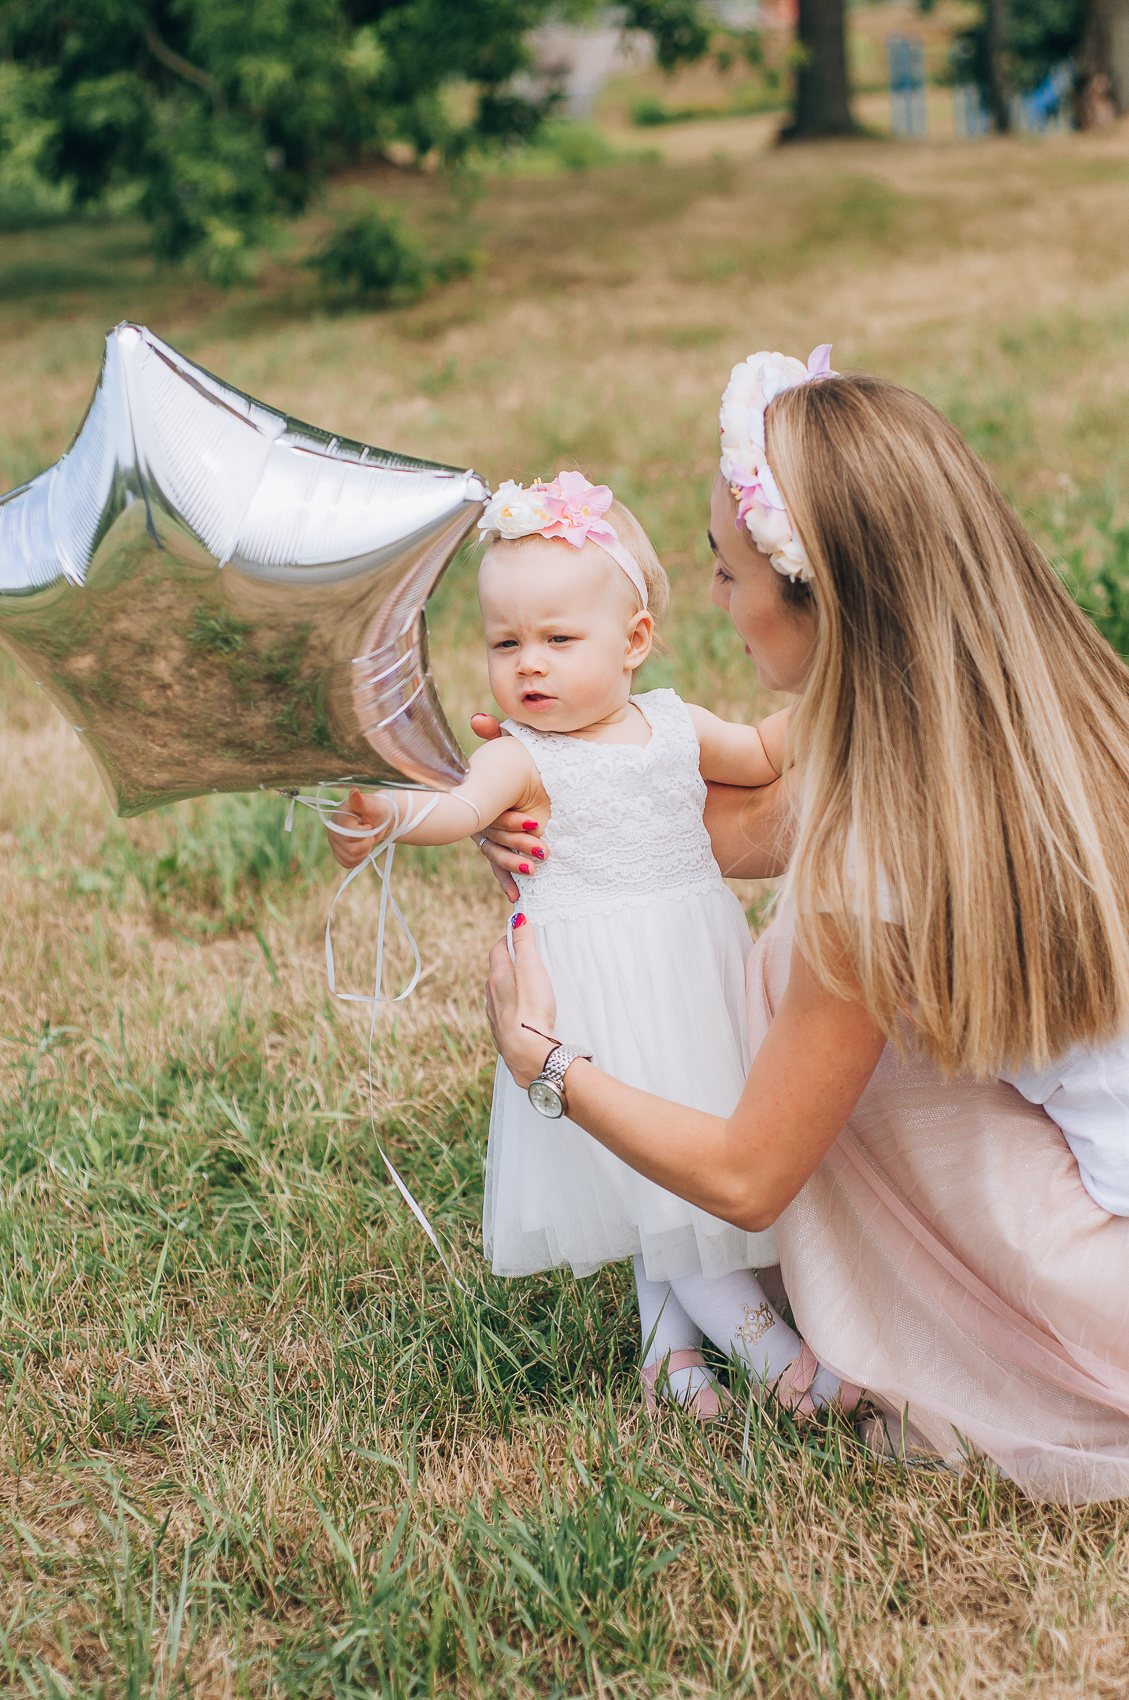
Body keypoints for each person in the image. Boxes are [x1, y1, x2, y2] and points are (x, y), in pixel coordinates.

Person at [482, 349, 1129, 1504]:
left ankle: (901, 1335)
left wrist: (547, 1064)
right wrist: (549, 799)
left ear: (814, 598)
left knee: (794, 982)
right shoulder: (1042, 702)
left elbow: (746, 1176)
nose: (712, 598)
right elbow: (709, 829)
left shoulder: (871, 859)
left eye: (728, 573)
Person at [328, 468, 856, 1420]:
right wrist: (378, 808)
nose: (529, 665)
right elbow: (455, 809)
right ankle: (773, 1355)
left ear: (633, 643)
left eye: (558, 641)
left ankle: (666, 1358)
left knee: (673, 1176)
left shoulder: (669, 723)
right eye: (504, 643)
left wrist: (843, 700)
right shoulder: (519, 755)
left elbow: (764, 753)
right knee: (660, 1193)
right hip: (598, 994)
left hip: (689, 971)